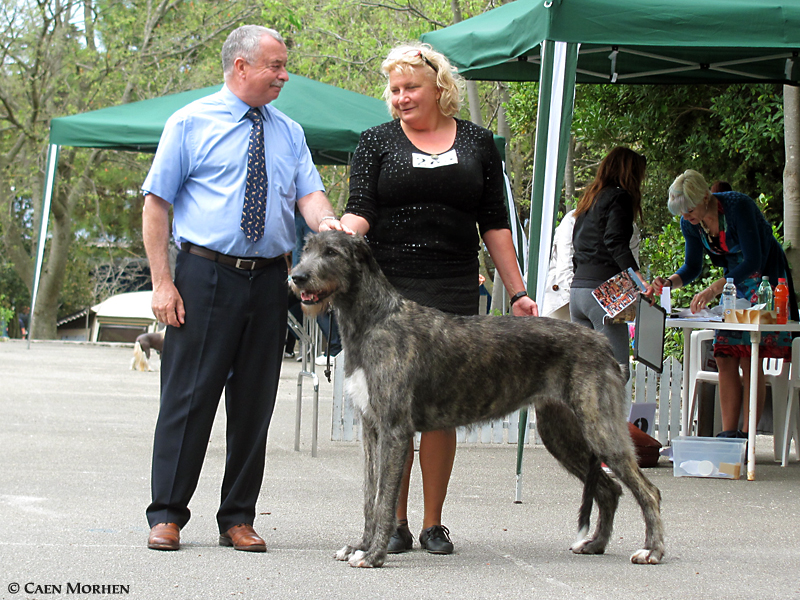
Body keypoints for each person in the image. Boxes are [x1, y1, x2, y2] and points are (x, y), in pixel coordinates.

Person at [141, 25, 347, 552]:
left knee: (255, 401)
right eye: (275, 65)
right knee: (189, 398)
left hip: (269, 279)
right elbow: (156, 205)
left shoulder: (290, 132)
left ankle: (238, 516)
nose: (284, 75)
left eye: (284, 66)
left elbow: (310, 196)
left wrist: (329, 225)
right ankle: (166, 514)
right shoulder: (189, 123)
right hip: (204, 275)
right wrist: (162, 282)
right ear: (241, 67)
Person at [340, 42, 538, 556]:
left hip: (452, 286)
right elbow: (360, 210)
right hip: (389, 295)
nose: (401, 97)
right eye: (395, 89)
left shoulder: (478, 143)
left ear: (438, 88)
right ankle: (394, 523)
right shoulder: (375, 142)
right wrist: (340, 231)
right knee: (391, 412)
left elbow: (495, 225)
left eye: (411, 88)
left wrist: (516, 292)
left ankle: (432, 524)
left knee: (441, 409)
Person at [651, 170, 796, 439]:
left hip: (765, 280)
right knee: (724, 353)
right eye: (682, 214)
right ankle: (729, 435)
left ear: (706, 197)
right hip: (733, 285)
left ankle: (748, 435)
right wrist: (669, 282)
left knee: (751, 355)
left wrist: (716, 287)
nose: (686, 218)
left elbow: (753, 259)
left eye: (690, 210)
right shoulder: (690, 224)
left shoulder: (737, 206)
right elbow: (693, 266)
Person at [570, 147, 648, 382]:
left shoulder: (589, 201)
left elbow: (577, 245)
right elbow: (615, 242)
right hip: (605, 292)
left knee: (588, 377)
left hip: (578, 292)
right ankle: (612, 420)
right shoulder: (619, 198)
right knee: (617, 373)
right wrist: (639, 281)